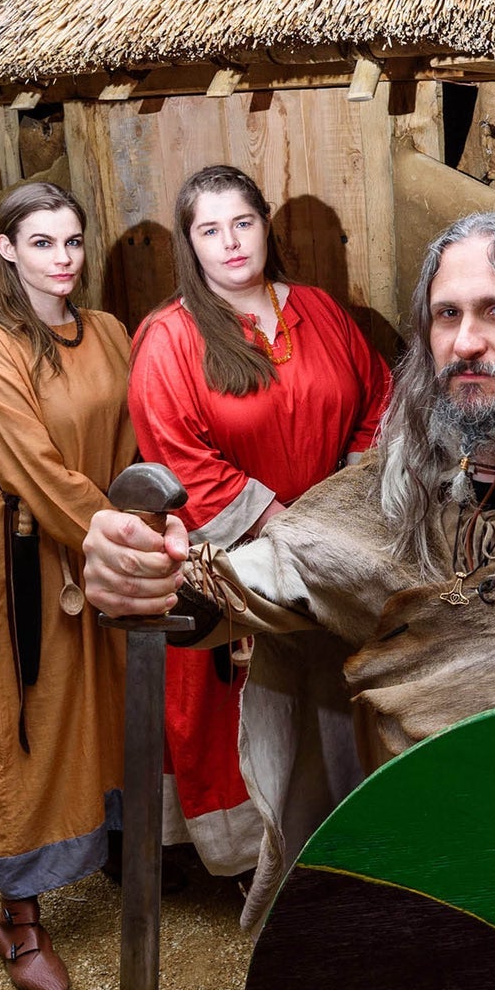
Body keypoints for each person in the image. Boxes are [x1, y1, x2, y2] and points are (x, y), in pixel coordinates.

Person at [84, 210, 495, 927]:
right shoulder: (398, 490)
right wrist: (146, 574)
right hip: (425, 866)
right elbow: (261, 580)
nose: (466, 342)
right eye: (446, 316)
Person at [128, 164, 391, 879]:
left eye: (242, 222)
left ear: (264, 224)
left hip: (339, 537)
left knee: (340, 699)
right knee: (245, 710)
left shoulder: (320, 310)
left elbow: (378, 401)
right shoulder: (170, 337)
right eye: (210, 230)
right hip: (241, 556)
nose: (231, 242)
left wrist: (346, 502)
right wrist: (287, 528)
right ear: (191, 243)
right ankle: (254, 861)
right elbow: (179, 454)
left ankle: (344, 836)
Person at [0, 181, 137, 990]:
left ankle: (122, 845)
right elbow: (34, 469)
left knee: (120, 697)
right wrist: (123, 538)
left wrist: (139, 518)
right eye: (44, 242)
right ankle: (18, 913)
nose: (63, 259)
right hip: (37, 555)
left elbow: (131, 440)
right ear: (7, 249)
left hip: (110, 541)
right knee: (34, 721)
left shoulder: (108, 332)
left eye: (74, 242)